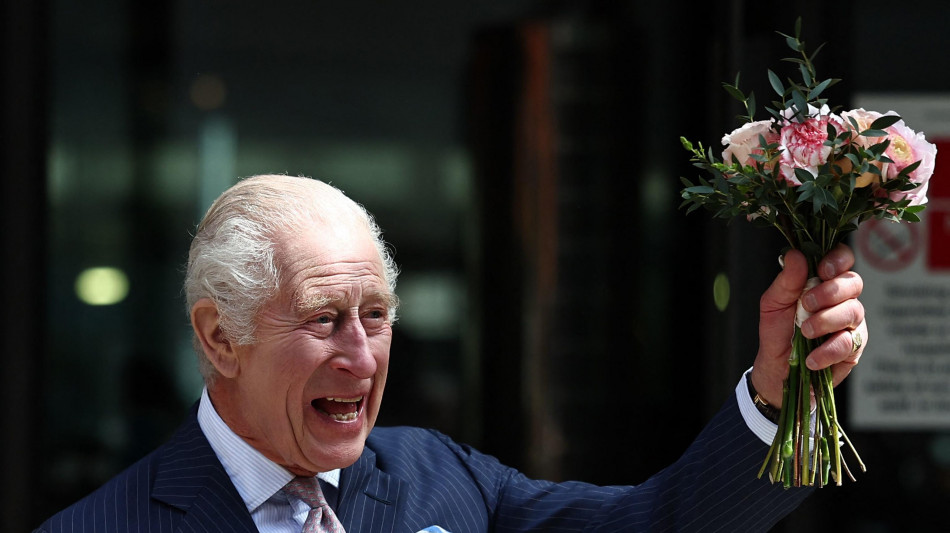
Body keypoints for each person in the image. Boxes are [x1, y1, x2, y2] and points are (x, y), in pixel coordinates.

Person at [33, 174, 867, 532]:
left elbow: (662, 523)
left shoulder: (441, 476)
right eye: (324, 319)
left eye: (376, 315)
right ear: (221, 337)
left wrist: (777, 395)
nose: (362, 358)